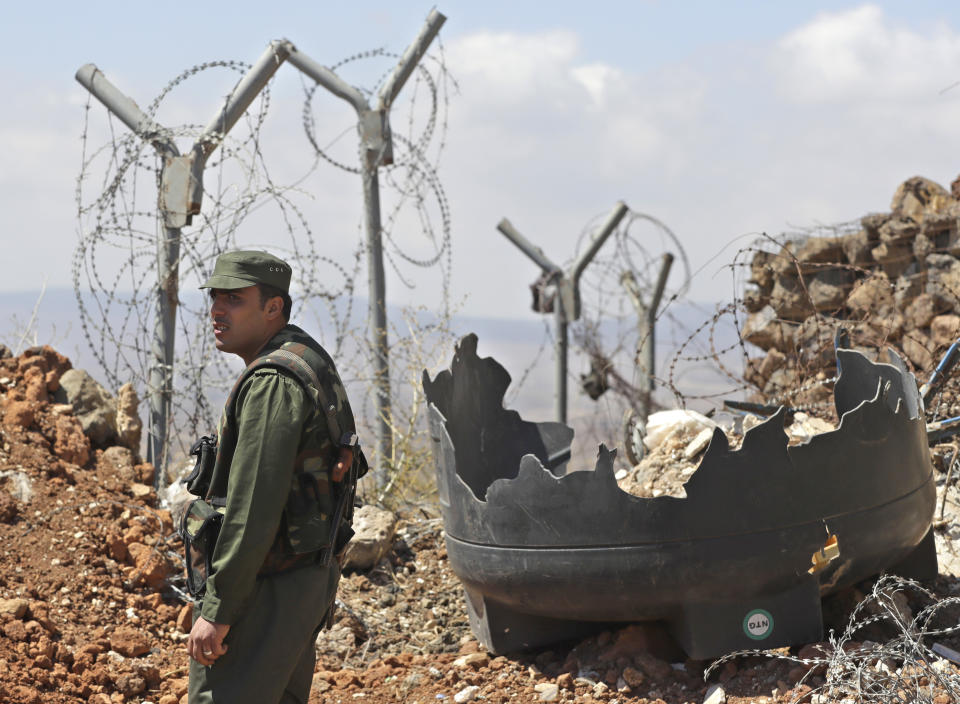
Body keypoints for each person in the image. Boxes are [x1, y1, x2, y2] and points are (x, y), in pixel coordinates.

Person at [184, 250, 364, 703]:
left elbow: (252, 511)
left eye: (234, 300)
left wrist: (218, 610)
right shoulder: (305, 356)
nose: (217, 311)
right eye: (215, 298)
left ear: (273, 308)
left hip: (266, 589)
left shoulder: (273, 382)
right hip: (302, 580)